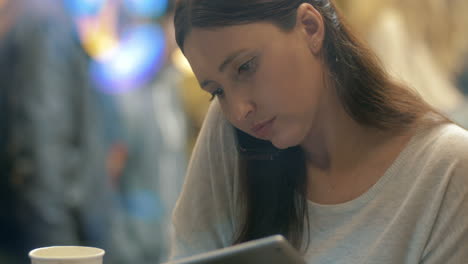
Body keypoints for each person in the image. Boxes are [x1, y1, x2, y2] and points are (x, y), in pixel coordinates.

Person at [168, 0, 468, 263]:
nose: (237, 109)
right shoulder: (230, 134)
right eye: (216, 91)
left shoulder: (447, 167)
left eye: (245, 67)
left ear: (310, 27)